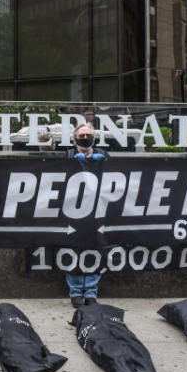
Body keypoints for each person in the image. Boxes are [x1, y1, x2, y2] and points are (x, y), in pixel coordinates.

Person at [66, 123, 109, 308]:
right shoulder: (67, 155)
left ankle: (91, 292)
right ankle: (75, 292)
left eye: (88, 135)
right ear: (75, 138)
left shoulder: (104, 154)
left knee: (95, 248)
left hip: (98, 209)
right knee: (73, 249)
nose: (85, 138)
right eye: (82, 135)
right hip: (73, 209)